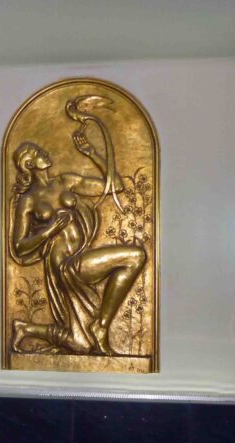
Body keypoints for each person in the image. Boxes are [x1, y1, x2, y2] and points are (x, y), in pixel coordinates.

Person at [9, 123, 146, 356]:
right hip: (64, 266)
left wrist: (92, 153)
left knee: (81, 345)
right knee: (135, 256)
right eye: (38, 152)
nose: (44, 153)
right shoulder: (28, 200)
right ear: (29, 164)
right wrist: (49, 230)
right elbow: (19, 247)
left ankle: (26, 328)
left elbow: (115, 186)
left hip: (79, 255)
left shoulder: (66, 181)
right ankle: (100, 326)